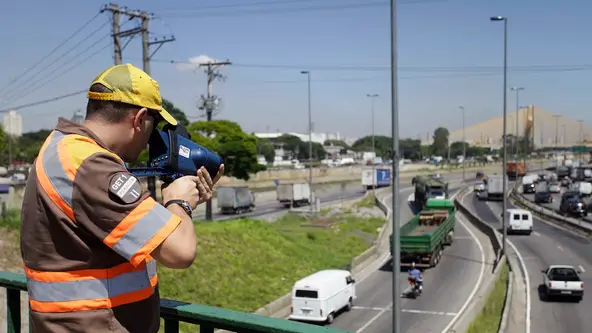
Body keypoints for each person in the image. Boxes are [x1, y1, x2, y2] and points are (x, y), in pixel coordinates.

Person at [20, 63, 224, 333]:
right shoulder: (91, 167)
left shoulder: (60, 148)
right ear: (140, 119)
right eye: (154, 127)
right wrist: (179, 203)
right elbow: (180, 253)